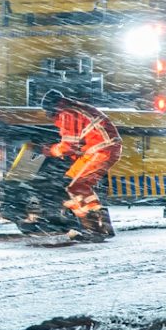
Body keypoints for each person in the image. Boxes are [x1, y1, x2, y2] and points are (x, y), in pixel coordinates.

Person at [42, 90, 123, 240]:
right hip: (102, 148)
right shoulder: (75, 109)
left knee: (74, 186)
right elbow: (79, 142)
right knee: (75, 184)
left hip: (101, 150)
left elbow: (68, 146)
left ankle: (93, 226)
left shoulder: (67, 113)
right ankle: (100, 222)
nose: (48, 116)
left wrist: (50, 150)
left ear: (52, 108)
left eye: (48, 112)